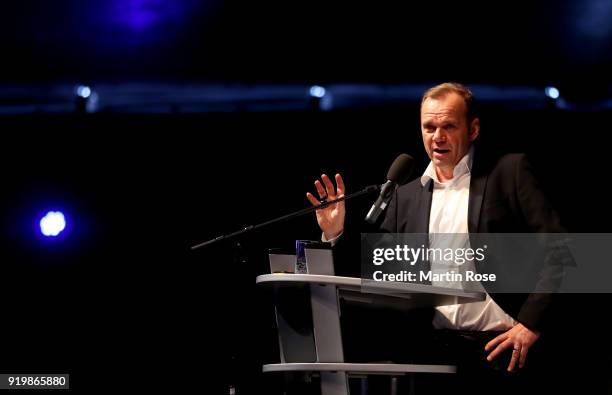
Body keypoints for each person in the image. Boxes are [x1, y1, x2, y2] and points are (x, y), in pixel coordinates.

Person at [305, 82, 573, 393]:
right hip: (433, 354)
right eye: (429, 126)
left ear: (473, 129)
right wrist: (336, 232)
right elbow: (377, 270)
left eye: (448, 125)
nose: (438, 136)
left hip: (502, 348)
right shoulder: (404, 196)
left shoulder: (508, 173)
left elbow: (563, 249)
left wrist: (530, 325)